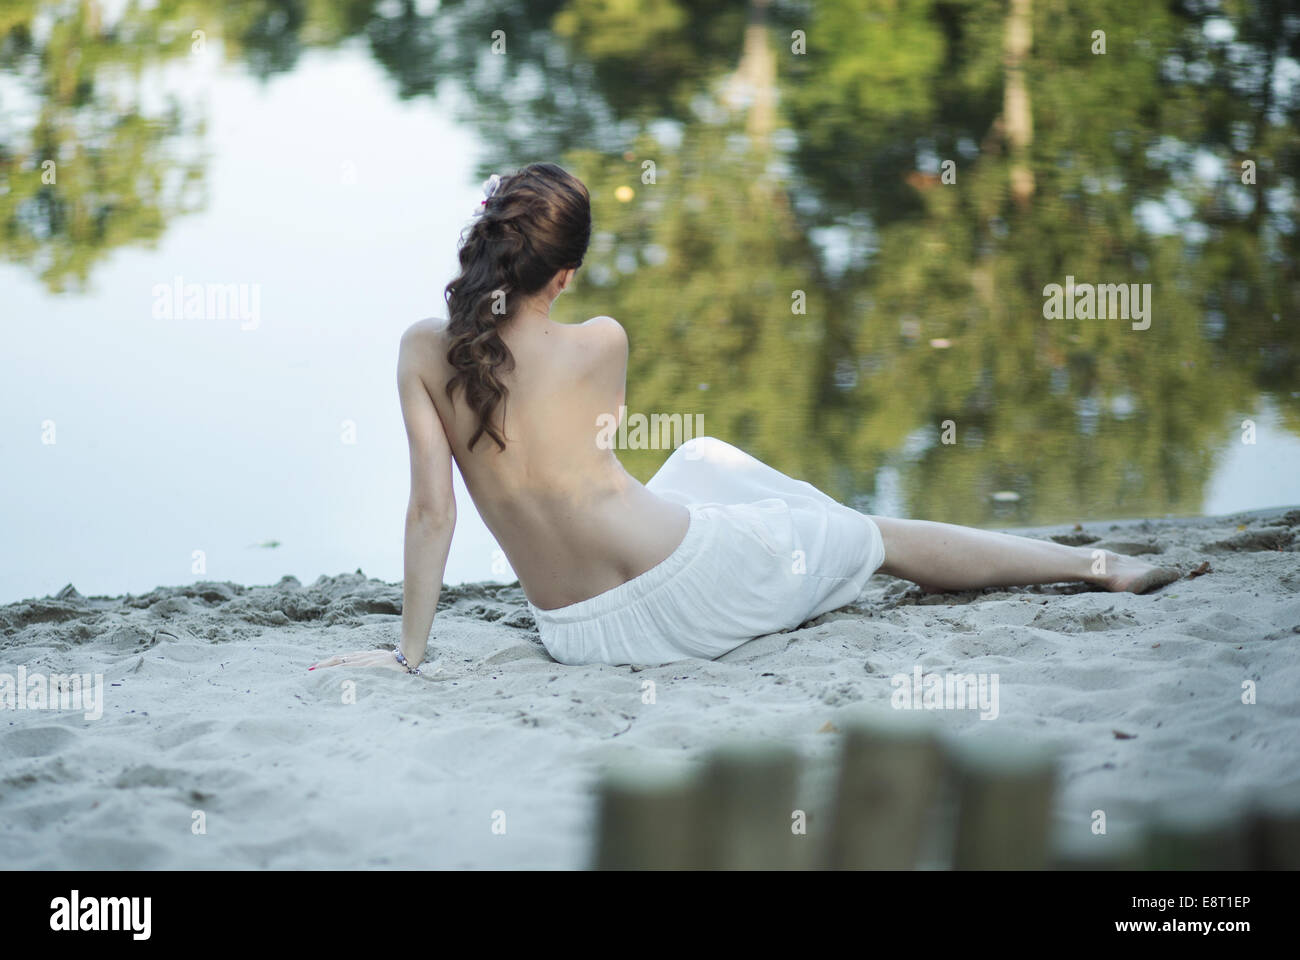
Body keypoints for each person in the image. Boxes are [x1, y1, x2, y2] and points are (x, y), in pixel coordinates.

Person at [311, 162, 1179, 674]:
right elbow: (591, 465)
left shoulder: (422, 350)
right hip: (679, 596)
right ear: (564, 275)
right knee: (874, 534)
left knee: (700, 456)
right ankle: (1100, 567)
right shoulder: (602, 340)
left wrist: (407, 661)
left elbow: (435, 513)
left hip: (575, 632)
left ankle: (804, 527)